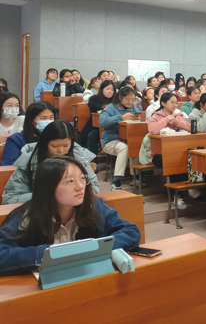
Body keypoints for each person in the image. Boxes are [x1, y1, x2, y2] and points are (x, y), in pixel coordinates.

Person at [0, 156, 140, 273]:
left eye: (82, 178)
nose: (80, 186)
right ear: (48, 188)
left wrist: (93, 248)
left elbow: (131, 231)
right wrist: (48, 254)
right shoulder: (25, 216)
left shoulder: (94, 206)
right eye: (70, 181)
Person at [3, 121, 99, 204]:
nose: (61, 150)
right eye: (55, 146)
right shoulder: (29, 161)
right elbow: (10, 199)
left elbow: (93, 188)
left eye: (66, 145)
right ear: (45, 143)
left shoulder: (79, 157)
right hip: (40, 210)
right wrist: (49, 196)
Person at [100, 86, 141, 191]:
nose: (130, 102)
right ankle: (117, 181)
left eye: (132, 99)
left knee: (135, 146)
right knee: (124, 148)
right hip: (110, 140)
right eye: (127, 99)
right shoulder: (110, 107)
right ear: (120, 97)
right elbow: (102, 122)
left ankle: (134, 177)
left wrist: (138, 120)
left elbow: (140, 123)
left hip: (127, 139)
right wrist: (121, 117)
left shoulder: (133, 108)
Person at [1, 101, 55, 166]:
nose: (48, 121)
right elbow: (9, 166)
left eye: (51, 118)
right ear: (32, 120)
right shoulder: (15, 140)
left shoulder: (57, 137)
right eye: (43, 118)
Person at [76, 80, 115, 155]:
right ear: (102, 89)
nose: (110, 91)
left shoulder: (116, 101)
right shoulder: (94, 99)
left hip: (112, 128)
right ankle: (92, 158)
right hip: (95, 126)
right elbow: (96, 107)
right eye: (108, 89)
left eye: (112, 90)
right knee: (92, 135)